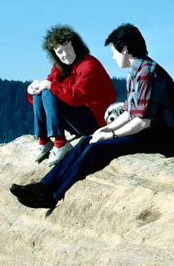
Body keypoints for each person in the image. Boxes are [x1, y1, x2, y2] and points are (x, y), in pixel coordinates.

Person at [11, 23, 174, 209]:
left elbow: (142, 121)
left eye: (114, 51)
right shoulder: (137, 70)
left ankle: (53, 195)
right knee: (88, 140)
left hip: (162, 137)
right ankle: (43, 186)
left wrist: (112, 135)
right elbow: (128, 112)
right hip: (148, 131)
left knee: (96, 149)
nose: (113, 56)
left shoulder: (147, 72)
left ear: (125, 49)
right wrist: (106, 128)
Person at [27, 25, 116, 166]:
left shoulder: (89, 65)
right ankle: (44, 141)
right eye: (59, 51)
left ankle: (60, 142)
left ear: (76, 46)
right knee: (42, 92)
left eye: (67, 49)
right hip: (77, 120)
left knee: (49, 90)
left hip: (96, 122)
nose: (64, 55)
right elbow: (47, 93)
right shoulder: (59, 67)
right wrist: (32, 90)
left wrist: (48, 86)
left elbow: (77, 97)